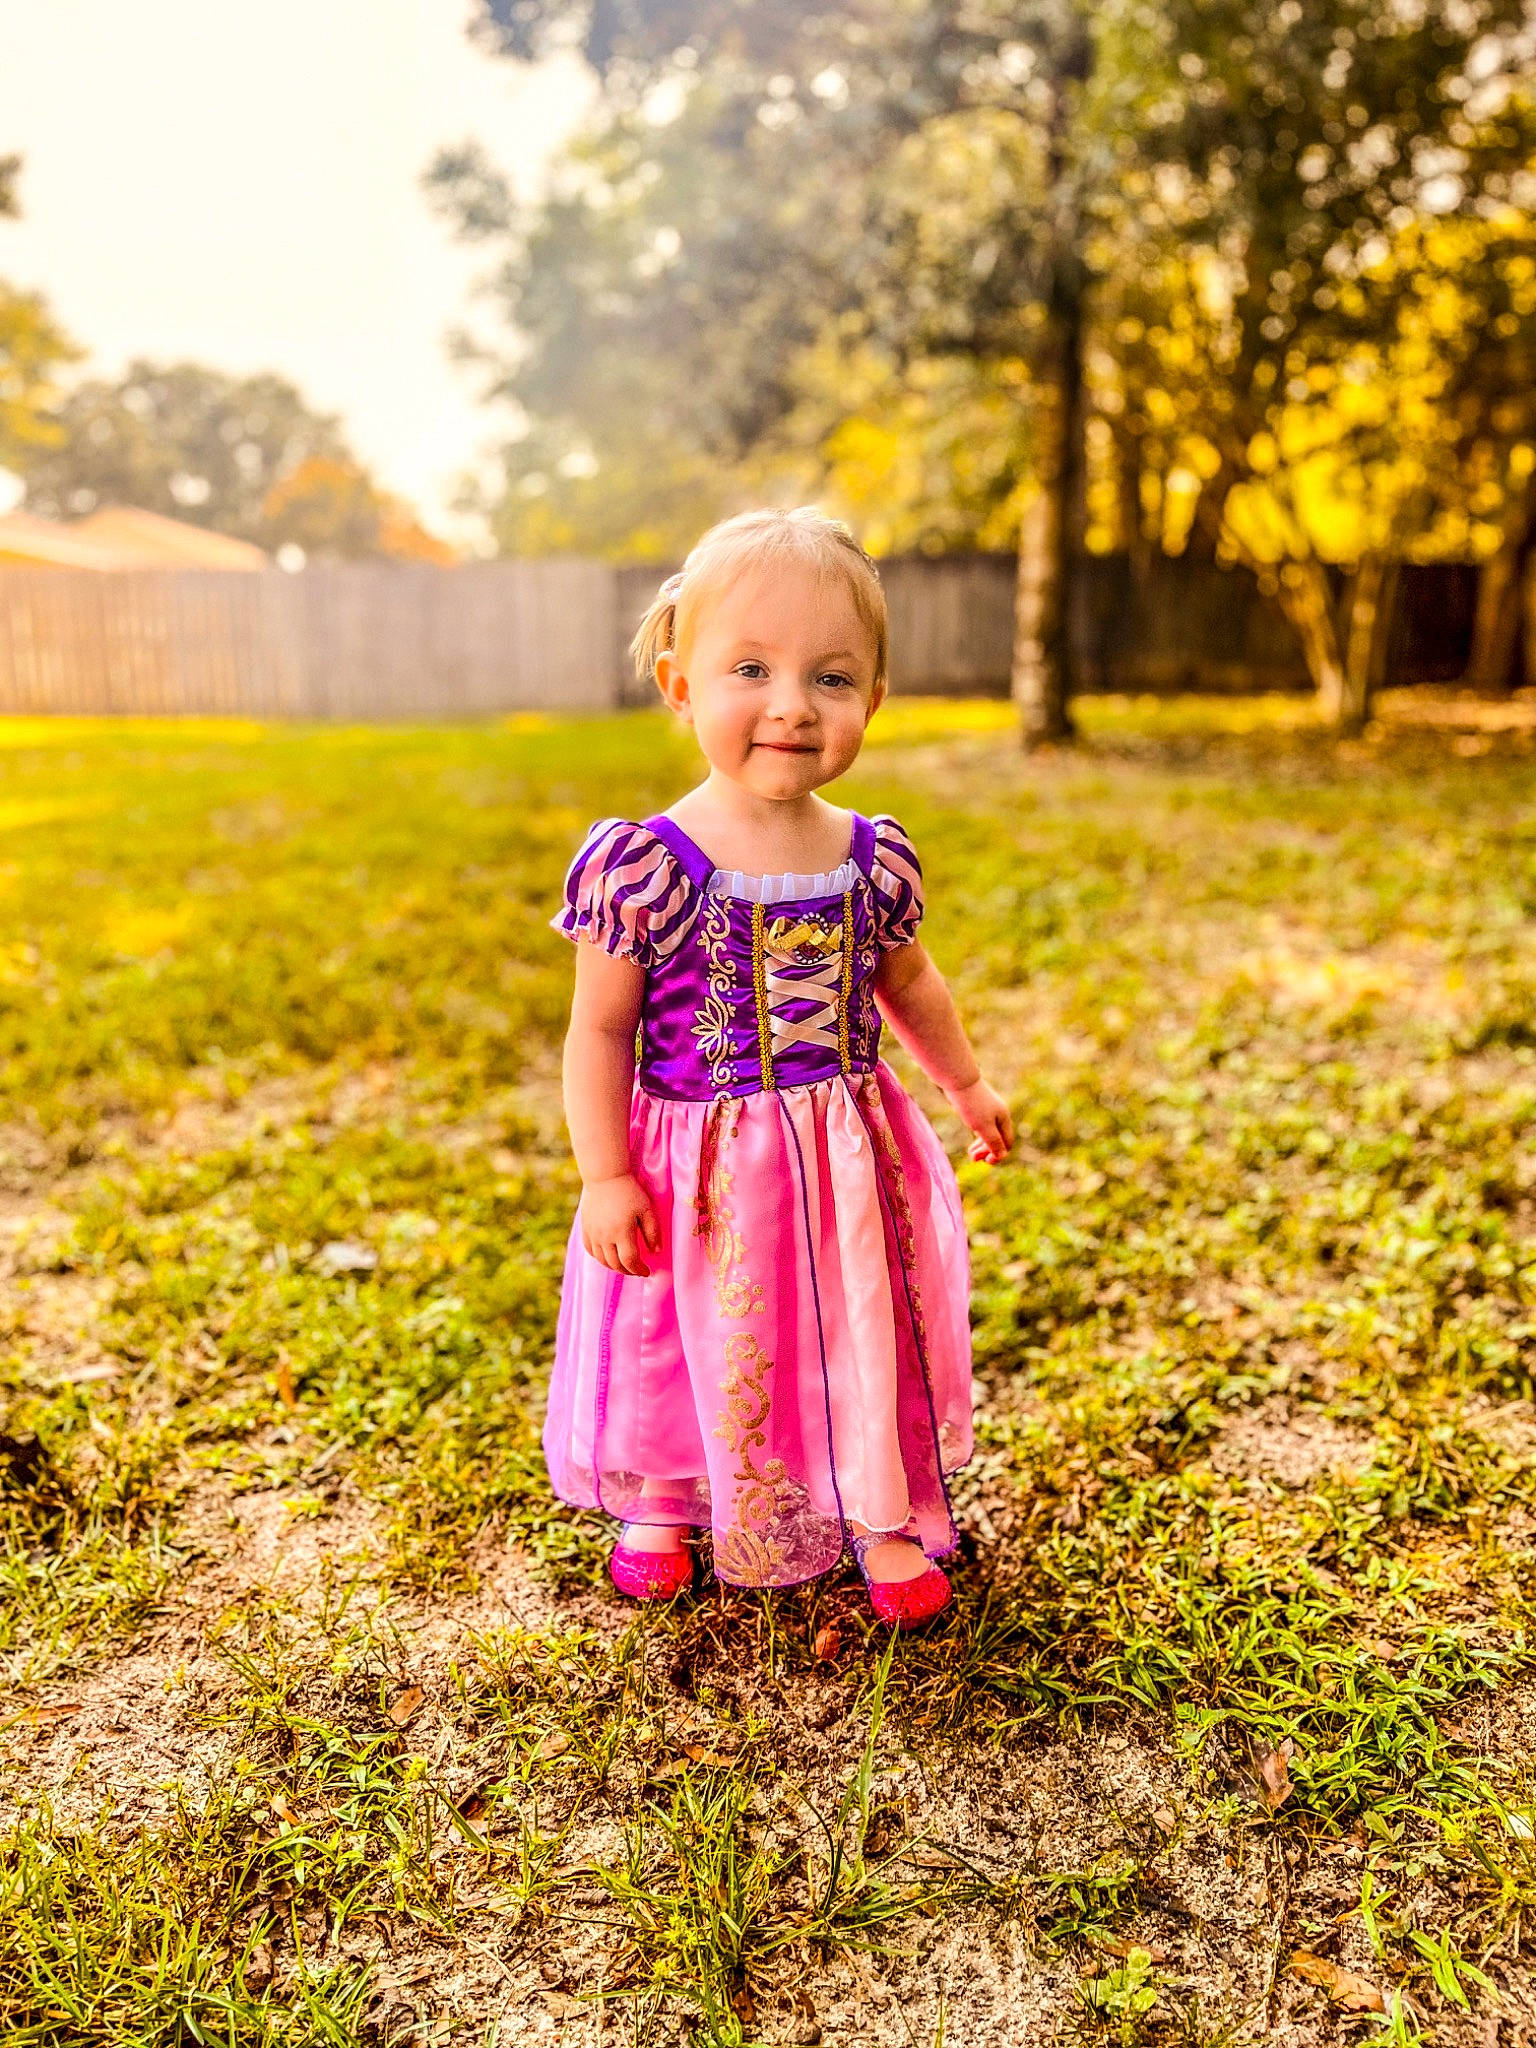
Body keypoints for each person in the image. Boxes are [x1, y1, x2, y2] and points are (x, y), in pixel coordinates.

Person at [545, 507, 1013, 1630]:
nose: (792, 702)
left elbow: (911, 984)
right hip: (695, 1158)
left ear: (874, 700)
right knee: (685, 1325)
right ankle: (667, 1491)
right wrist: (606, 1173)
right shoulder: (648, 864)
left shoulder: (870, 855)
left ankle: (877, 1505)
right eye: (749, 667)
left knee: (853, 1320)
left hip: (844, 1152)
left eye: (832, 676)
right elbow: (598, 1030)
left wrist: (964, 1082)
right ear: (680, 682)